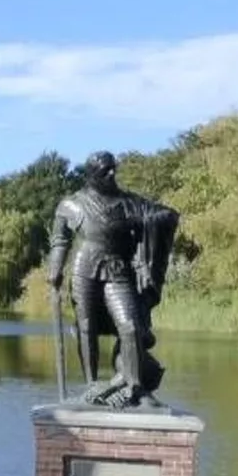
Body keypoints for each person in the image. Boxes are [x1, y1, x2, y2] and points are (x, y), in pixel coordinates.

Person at [46, 151, 180, 409]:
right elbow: (60, 240)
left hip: (118, 270)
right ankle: (91, 385)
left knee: (130, 326)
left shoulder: (129, 202)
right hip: (84, 269)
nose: (112, 174)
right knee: (86, 327)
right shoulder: (71, 205)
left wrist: (149, 221)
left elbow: (168, 215)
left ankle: (134, 387)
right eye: (105, 170)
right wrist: (55, 269)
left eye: (113, 169)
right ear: (92, 174)